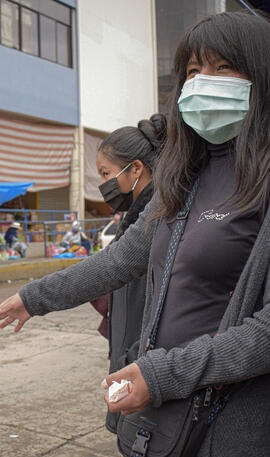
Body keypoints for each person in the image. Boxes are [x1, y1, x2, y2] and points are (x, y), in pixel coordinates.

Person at [0, 11, 270, 457]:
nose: (202, 82)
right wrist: (34, 297)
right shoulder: (185, 176)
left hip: (236, 431)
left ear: (264, 76)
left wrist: (161, 373)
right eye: (193, 71)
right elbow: (118, 261)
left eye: (223, 68)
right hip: (164, 418)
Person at [91, 113, 166, 433]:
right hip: (128, 358)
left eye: (107, 173)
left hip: (141, 365)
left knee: (140, 440)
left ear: (136, 168)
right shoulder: (134, 217)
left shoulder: (156, 221)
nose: (104, 184)